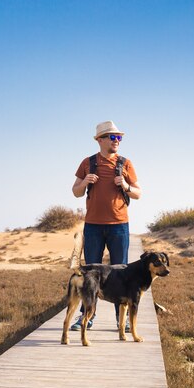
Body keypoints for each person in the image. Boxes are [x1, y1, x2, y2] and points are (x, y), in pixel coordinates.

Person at [70, 120, 141, 331]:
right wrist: (84, 182)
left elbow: (138, 193)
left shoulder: (125, 163)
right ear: (100, 140)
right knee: (91, 274)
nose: (117, 141)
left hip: (119, 225)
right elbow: (76, 191)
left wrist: (126, 185)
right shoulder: (87, 162)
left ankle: (125, 320)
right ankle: (87, 317)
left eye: (119, 137)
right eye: (113, 137)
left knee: (122, 272)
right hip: (92, 226)